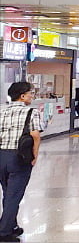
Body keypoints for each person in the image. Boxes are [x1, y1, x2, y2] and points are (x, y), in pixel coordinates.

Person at [0, 82, 43, 242]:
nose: (32, 96)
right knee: (14, 195)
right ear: (22, 95)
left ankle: (11, 226)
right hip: (18, 158)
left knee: (8, 193)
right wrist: (35, 156)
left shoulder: (1, 110)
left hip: (1, 156)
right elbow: (35, 136)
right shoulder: (31, 112)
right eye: (30, 93)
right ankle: (4, 232)